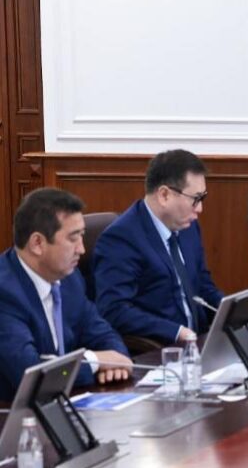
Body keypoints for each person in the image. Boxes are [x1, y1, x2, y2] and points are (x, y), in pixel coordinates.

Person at [0, 189, 131, 400]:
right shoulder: (5, 293)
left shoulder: (69, 278)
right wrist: (95, 362)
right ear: (37, 243)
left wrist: (116, 360)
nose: (82, 249)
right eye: (73, 238)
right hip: (12, 413)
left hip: (63, 403)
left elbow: (102, 333)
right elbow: (30, 374)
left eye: (82, 236)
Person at [93, 149, 223, 344]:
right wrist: (176, 332)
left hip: (200, 343)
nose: (200, 209)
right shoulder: (121, 239)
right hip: (160, 350)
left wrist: (233, 310)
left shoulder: (187, 226)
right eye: (195, 199)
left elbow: (202, 285)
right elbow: (114, 310)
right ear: (164, 195)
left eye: (202, 198)